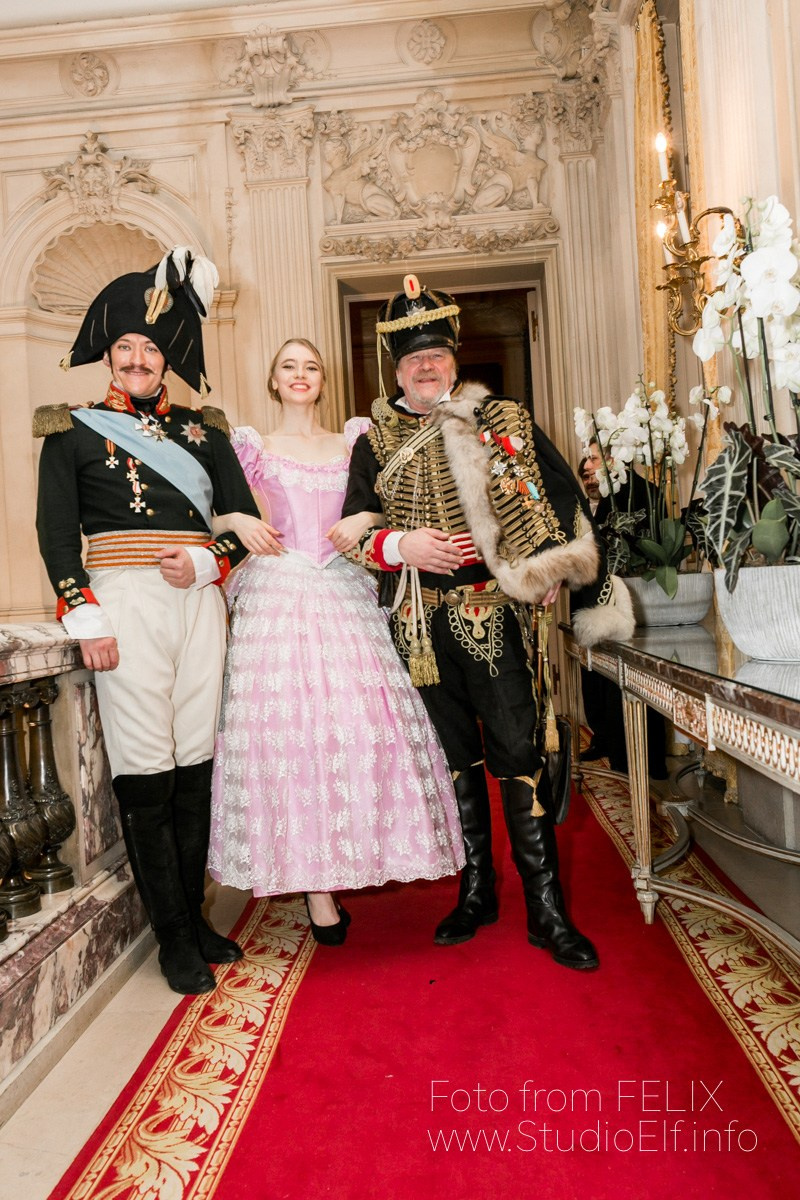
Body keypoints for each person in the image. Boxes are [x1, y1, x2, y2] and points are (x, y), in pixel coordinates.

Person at [342, 276, 636, 971]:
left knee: (517, 754)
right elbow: (353, 531)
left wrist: (546, 574)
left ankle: (546, 907)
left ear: (452, 358)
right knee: (455, 761)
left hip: (490, 615)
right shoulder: (374, 442)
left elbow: (559, 496)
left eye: (436, 355)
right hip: (416, 622)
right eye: (412, 359)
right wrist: (399, 546)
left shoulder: (499, 417)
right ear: (396, 368)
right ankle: (478, 889)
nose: (425, 366)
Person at [34, 248, 262, 996]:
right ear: (109, 354)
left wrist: (207, 563)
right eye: (124, 348)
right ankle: (170, 936)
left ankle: (194, 919)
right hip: (122, 606)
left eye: (149, 349)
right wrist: (84, 615)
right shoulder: (70, 430)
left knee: (194, 760)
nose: (136, 359)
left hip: (197, 601)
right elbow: (57, 535)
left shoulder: (206, 432)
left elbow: (245, 525)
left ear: (168, 360)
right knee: (146, 769)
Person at [207, 338, 465, 945]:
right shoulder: (249, 445)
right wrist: (236, 520)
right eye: (289, 366)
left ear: (323, 380)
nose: (300, 375)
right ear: (274, 381)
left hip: (342, 590)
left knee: (354, 731)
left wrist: (368, 520)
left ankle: (360, 851)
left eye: (311, 367)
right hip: (277, 595)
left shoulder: (354, 440)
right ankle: (317, 890)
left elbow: (383, 503)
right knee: (289, 738)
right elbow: (210, 515)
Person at [578, 440, 669, 777]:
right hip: (604, 604)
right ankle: (618, 750)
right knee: (607, 685)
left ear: (615, 457)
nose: (587, 464)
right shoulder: (610, 495)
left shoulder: (639, 494)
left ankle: (639, 763)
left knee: (634, 689)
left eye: (593, 457)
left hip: (632, 603)